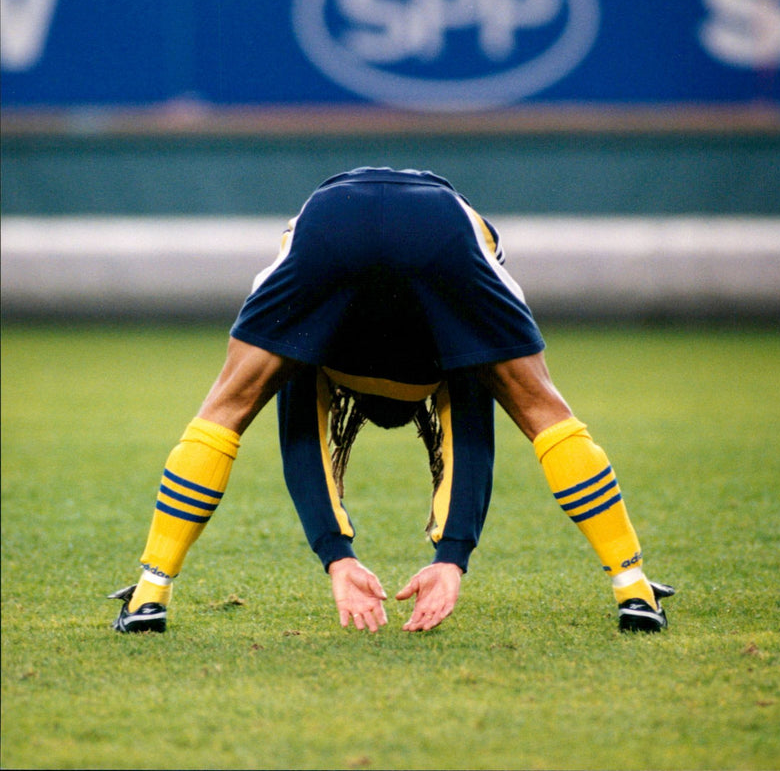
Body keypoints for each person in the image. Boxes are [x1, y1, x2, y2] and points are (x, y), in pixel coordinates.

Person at [109, 167, 673, 635]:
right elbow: (472, 438)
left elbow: (302, 443)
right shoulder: (459, 360)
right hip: (440, 222)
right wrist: (451, 558)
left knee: (224, 410)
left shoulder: (312, 363)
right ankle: (633, 588)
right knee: (545, 413)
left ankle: (151, 593)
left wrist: (337, 555)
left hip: (331, 218)